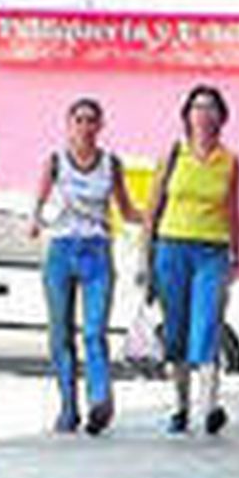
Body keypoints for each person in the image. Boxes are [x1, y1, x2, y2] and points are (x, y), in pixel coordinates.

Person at [30, 98, 141, 435]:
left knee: (94, 331)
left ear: (100, 125)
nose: (85, 126)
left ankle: (99, 400)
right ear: (69, 124)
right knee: (61, 333)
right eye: (78, 119)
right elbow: (38, 204)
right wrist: (35, 222)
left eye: (91, 120)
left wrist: (157, 217)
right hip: (61, 250)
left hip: (97, 250)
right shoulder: (54, 162)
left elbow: (125, 210)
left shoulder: (111, 164)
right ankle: (68, 408)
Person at [143, 84, 239, 436]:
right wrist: (145, 259)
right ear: (187, 116)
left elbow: (233, 210)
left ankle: (211, 406)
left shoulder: (229, 161)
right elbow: (152, 209)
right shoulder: (173, 155)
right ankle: (180, 407)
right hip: (172, 248)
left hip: (212, 250)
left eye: (211, 108)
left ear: (221, 117)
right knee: (177, 331)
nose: (203, 114)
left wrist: (236, 256)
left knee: (208, 324)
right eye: (197, 108)